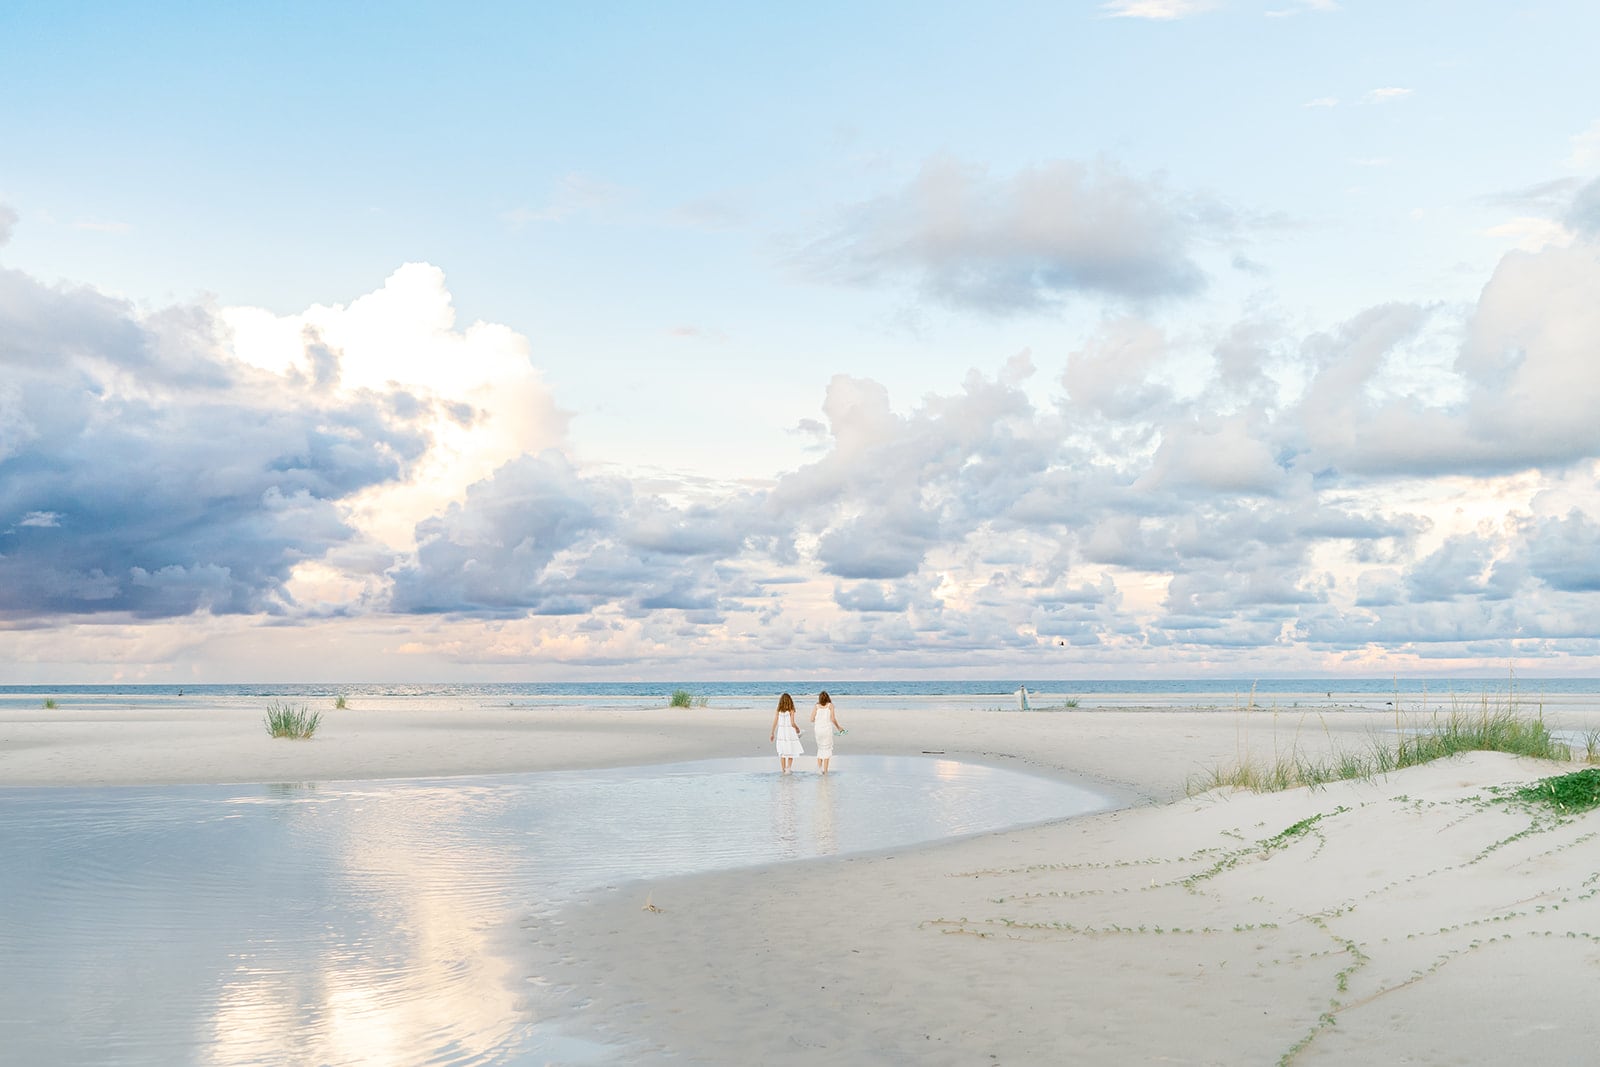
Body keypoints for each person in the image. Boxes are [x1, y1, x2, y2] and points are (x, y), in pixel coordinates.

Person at [770, 692, 804, 774]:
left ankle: (783, 770)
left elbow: (775, 721)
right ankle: (788, 769)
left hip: (781, 733)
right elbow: (792, 723)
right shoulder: (791, 709)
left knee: (782, 752)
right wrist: (797, 728)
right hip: (789, 732)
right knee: (791, 751)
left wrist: (772, 732)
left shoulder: (779, 710)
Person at [810, 690, 843, 774]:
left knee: (820, 749)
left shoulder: (816, 706)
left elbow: (811, 719)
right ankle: (825, 771)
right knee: (827, 750)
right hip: (827, 730)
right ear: (828, 698)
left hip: (818, 730)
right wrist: (838, 727)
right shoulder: (830, 706)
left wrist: (819, 720)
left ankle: (819, 770)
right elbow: (833, 719)